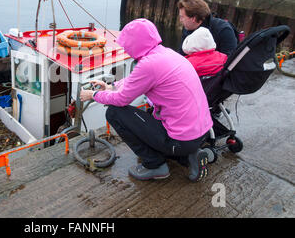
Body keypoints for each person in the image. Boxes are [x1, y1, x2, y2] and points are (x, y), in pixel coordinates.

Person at [80, 19, 212, 182]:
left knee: (115, 113)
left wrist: (92, 95)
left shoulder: (149, 64)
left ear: (135, 43)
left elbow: (121, 100)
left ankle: (155, 165)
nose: (125, 47)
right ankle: (188, 156)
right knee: (146, 116)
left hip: (180, 139)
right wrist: (110, 87)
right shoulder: (165, 54)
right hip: (200, 133)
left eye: (126, 43)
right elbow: (134, 81)